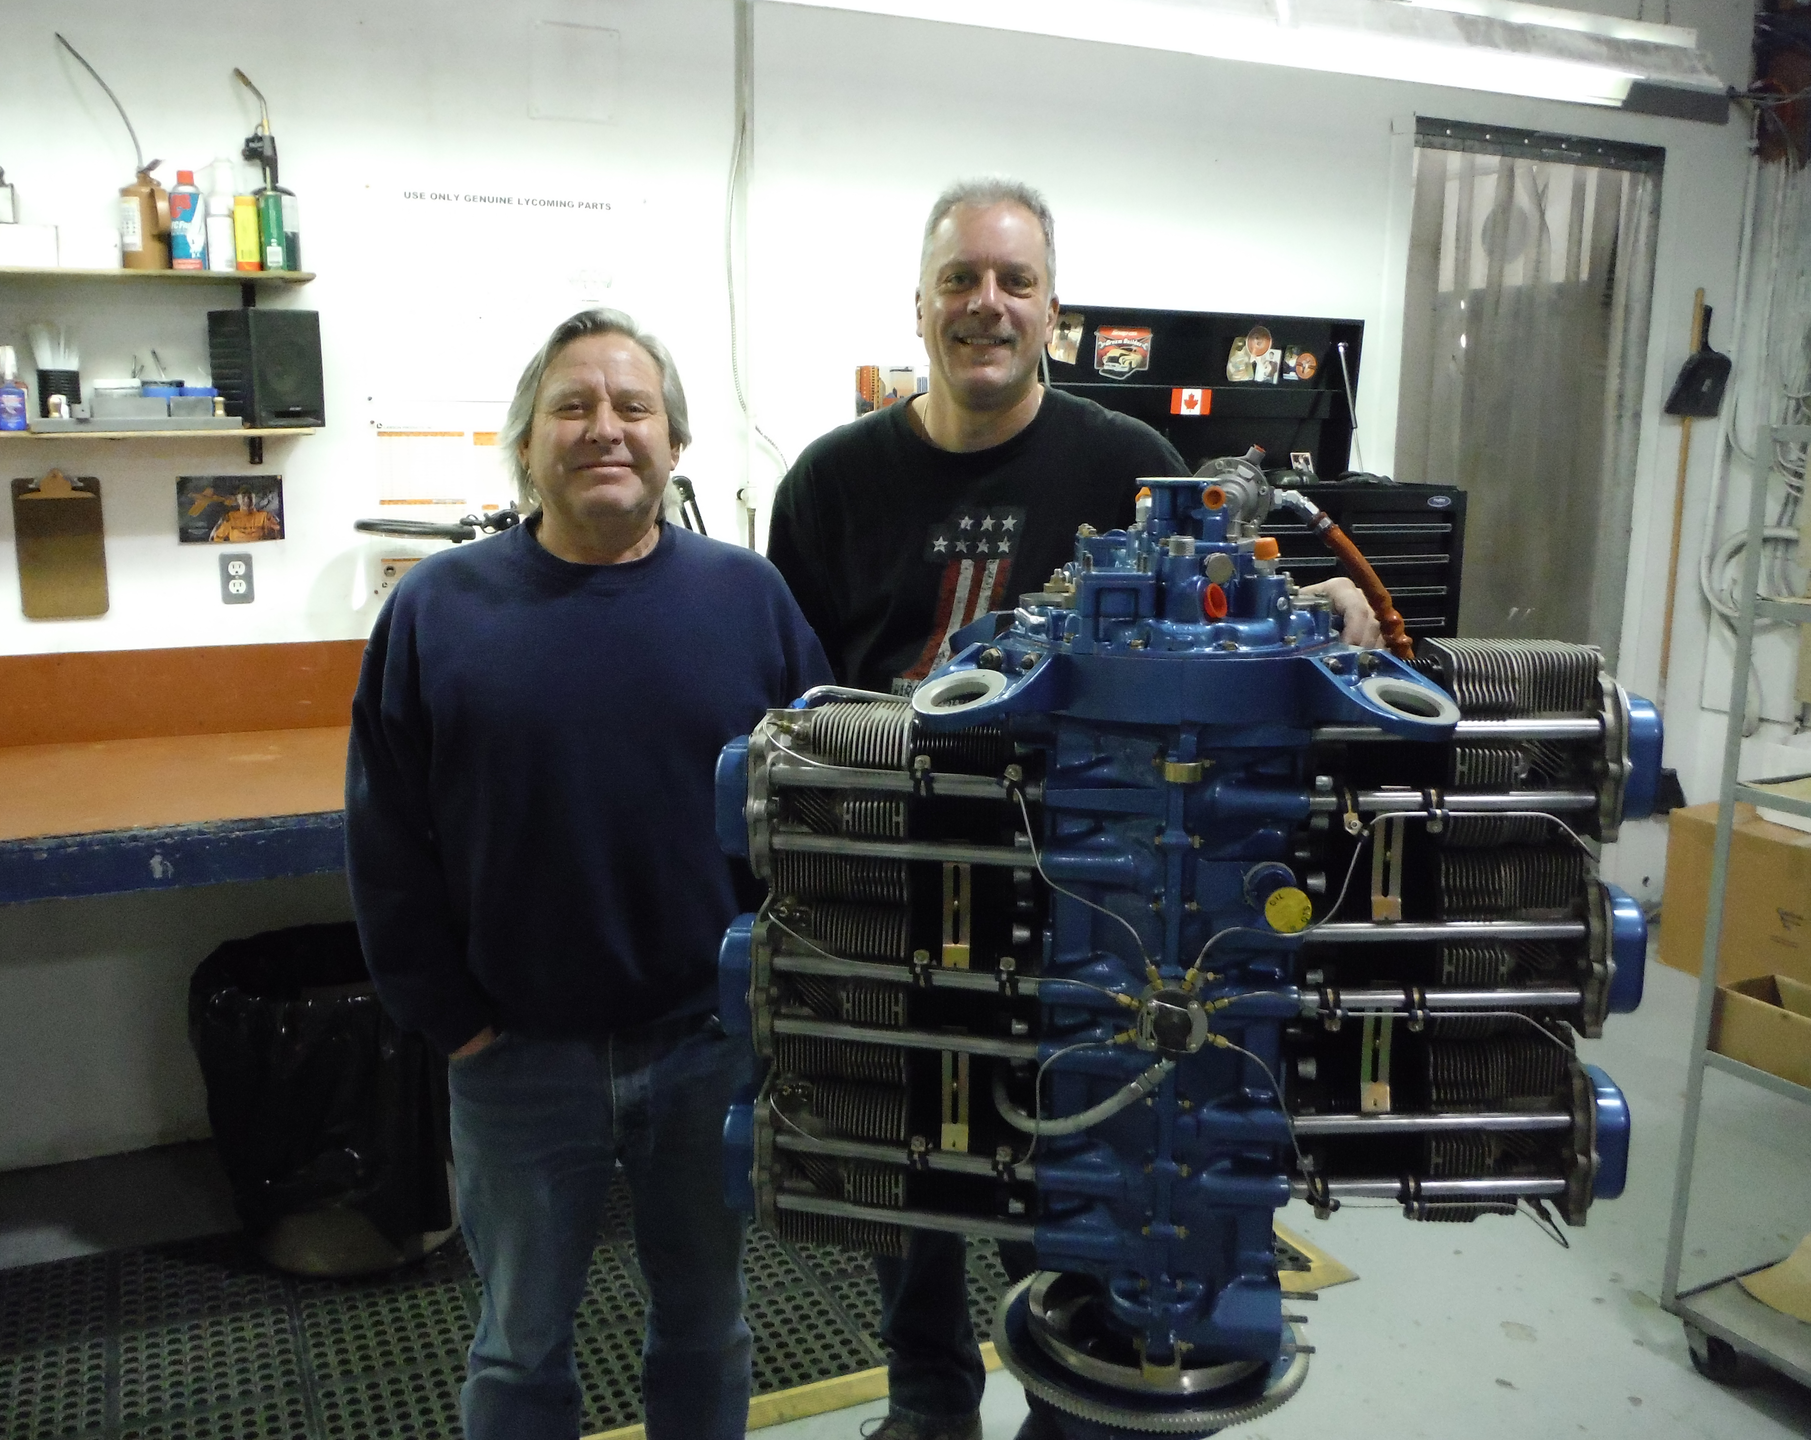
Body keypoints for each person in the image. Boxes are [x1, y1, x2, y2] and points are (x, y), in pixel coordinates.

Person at [767, 179, 1380, 1440]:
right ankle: (928, 1400)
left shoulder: (1131, 467)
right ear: (922, 305)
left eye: (1014, 281)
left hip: (1093, 906)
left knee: (1080, 1172)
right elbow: (796, 700)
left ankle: (1068, 1396)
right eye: (960, 280)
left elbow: (1222, 644)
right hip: (896, 886)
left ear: (1054, 308)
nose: (986, 304)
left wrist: (1333, 609)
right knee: (911, 1169)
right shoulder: (829, 482)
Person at [346, 308, 832, 1440]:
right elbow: (385, 835)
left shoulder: (748, 599)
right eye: (573, 406)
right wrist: (450, 1019)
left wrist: (785, 1000)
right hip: (516, 1059)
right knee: (519, 1347)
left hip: (706, 1048)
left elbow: (818, 808)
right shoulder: (436, 609)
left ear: (674, 443)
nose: (603, 429)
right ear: (527, 443)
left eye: (632, 407)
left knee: (708, 1326)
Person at [208, 484, 282, 543]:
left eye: (250, 496)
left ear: (254, 498)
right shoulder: (230, 518)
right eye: (243, 496)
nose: (247, 500)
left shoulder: (265, 517)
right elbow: (216, 540)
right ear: (238, 499)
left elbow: (278, 538)